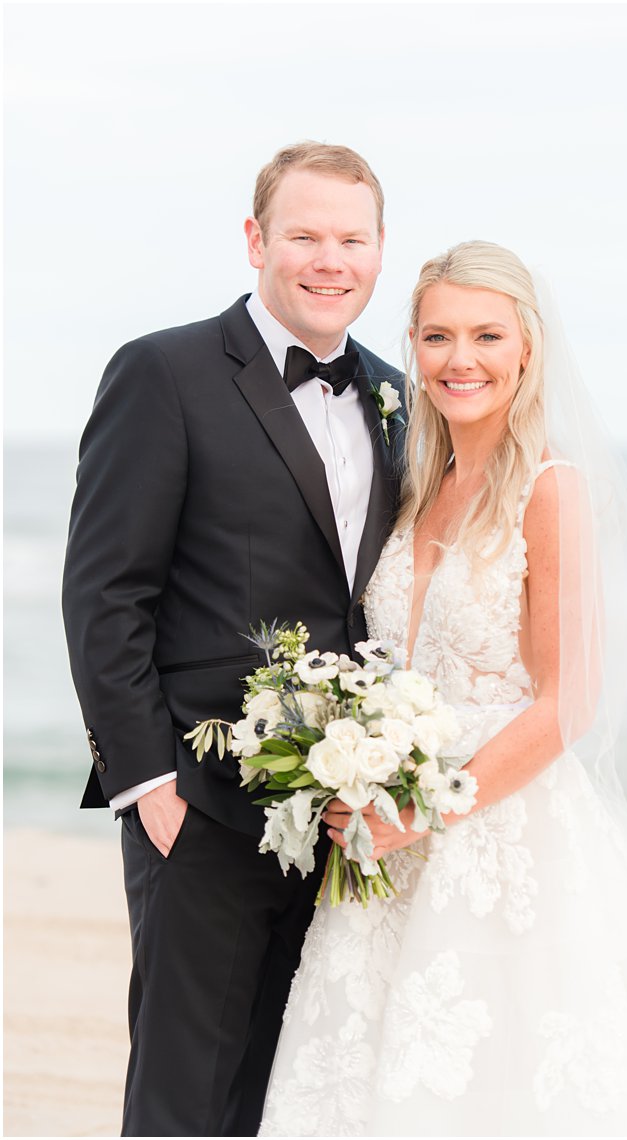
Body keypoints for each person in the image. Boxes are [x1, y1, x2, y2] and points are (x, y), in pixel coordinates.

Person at [257, 241, 627, 1135]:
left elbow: (569, 702)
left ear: (528, 346)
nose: (462, 360)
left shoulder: (552, 488)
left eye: (487, 335)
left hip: (495, 829)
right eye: (440, 336)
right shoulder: (415, 479)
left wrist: (425, 810)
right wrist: (352, 771)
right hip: (381, 833)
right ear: (411, 343)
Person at [62, 142, 404, 1134]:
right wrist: (147, 787)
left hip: (342, 811)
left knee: (290, 1088)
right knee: (185, 1097)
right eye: (304, 235)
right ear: (257, 240)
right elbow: (104, 592)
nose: (328, 259)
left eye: (351, 238)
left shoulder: (395, 396)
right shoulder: (162, 372)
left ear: (380, 251)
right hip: (200, 802)